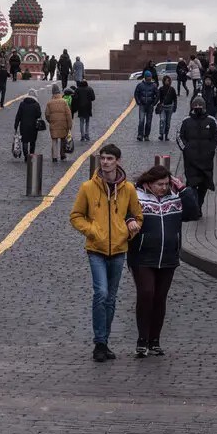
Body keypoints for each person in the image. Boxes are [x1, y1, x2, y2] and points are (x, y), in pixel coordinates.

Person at [69, 144, 143, 363]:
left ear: (118, 161)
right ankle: (99, 342)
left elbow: (138, 216)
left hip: (119, 250)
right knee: (101, 293)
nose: (105, 162)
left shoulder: (128, 189)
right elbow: (76, 216)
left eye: (110, 158)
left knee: (110, 298)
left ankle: (104, 342)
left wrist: (130, 229)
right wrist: (93, 231)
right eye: (103, 158)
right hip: (96, 249)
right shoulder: (87, 188)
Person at [128, 165, 201, 357]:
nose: (163, 188)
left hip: (168, 256)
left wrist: (183, 190)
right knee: (146, 293)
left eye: (166, 184)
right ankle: (142, 340)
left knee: (160, 299)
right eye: (159, 184)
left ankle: (155, 341)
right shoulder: (136, 196)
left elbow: (193, 213)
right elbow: (125, 213)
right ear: (149, 183)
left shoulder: (175, 197)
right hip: (142, 256)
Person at [177, 96, 217, 212]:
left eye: (200, 105)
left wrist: (212, 149)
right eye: (195, 105)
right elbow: (179, 136)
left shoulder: (211, 121)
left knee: (204, 185)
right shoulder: (186, 121)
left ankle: (199, 205)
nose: (198, 107)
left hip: (206, 160)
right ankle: (195, 207)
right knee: (191, 184)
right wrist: (186, 149)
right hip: (191, 160)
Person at [45, 83, 73, 163]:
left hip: (53, 124)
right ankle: (62, 155)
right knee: (63, 139)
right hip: (63, 125)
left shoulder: (49, 103)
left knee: (54, 140)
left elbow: (47, 114)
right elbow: (68, 114)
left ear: (53, 93)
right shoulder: (64, 102)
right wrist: (70, 125)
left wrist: (50, 121)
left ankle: (54, 157)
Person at [13, 90, 43, 160]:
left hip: (23, 125)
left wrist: (16, 125)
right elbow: (39, 115)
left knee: (24, 140)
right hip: (33, 126)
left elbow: (18, 115)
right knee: (32, 141)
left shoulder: (22, 104)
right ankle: (31, 155)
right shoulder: (36, 104)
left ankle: (26, 155)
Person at [134, 71, 158, 142]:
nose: (149, 78)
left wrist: (154, 103)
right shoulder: (140, 85)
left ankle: (146, 135)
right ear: (145, 77)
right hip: (142, 105)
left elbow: (157, 95)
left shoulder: (154, 85)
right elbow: (136, 94)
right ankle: (140, 135)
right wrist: (138, 102)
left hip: (150, 106)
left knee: (148, 121)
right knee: (141, 121)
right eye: (148, 77)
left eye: (150, 77)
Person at [154, 76, 177, 142]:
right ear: (163, 81)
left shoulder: (172, 89)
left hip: (170, 107)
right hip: (163, 107)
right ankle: (161, 134)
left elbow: (175, 99)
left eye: (168, 80)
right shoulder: (161, 89)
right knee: (162, 120)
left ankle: (166, 135)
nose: (167, 82)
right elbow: (158, 97)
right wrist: (154, 104)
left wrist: (175, 107)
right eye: (166, 80)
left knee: (168, 122)